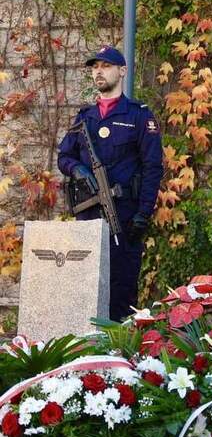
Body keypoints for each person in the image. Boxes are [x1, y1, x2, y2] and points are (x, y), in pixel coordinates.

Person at [58, 46, 164, 321]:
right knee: (84, 285)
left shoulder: (139, 115)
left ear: (122, 71)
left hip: (125, 217)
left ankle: (118, 354)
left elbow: (153, 168)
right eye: (95, 67)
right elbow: (64, 156)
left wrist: (144, 213)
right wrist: (78, 169)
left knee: (122, 288)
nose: (99, 72)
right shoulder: (85, 117)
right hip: (89, 216)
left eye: (105, 66)